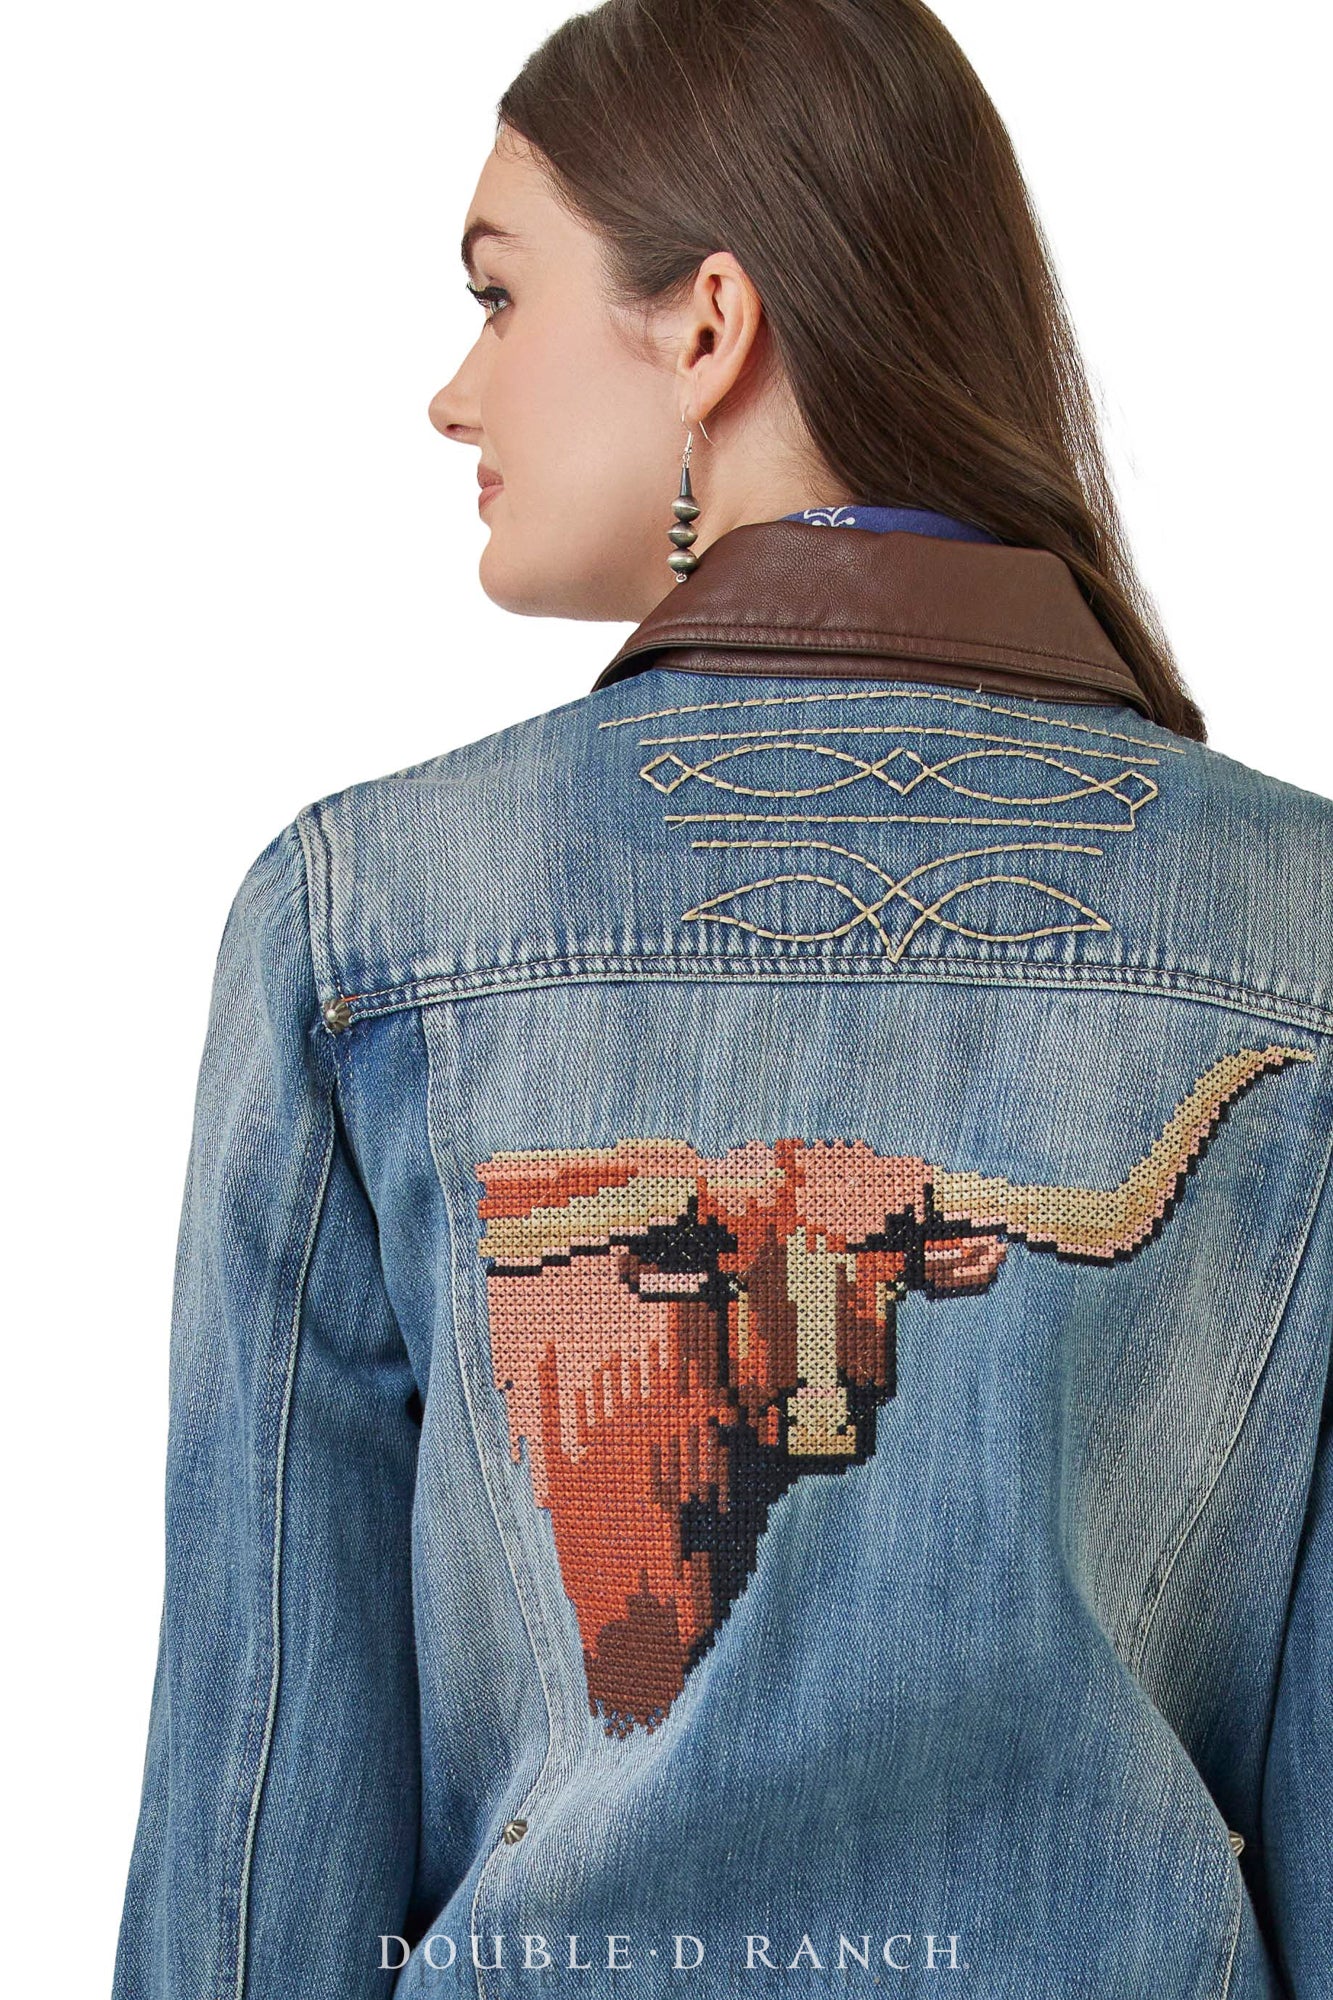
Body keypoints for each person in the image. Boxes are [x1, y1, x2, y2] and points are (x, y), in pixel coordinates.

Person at [111, 3, 1331, 1996]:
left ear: (707, 327)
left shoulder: (366, 927)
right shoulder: (1301, 928)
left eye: (496, 295)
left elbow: (257, 1834)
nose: (451, 394)